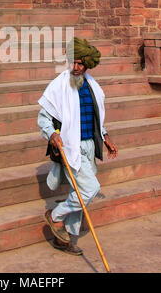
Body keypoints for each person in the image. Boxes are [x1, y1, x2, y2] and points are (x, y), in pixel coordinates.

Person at [38, 37, 118, 255]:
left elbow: (95, 117)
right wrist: (52, 135)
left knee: (80, 191)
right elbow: (43, 118)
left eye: (80, 64)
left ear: (87, 65)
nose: (75, 67)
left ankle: (65, 239)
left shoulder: (93, 85)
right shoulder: (58, 85)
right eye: (73, 62)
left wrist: (106, 136)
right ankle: (55, 216)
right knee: (90, 189)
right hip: (70, 146)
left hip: (90, 145)